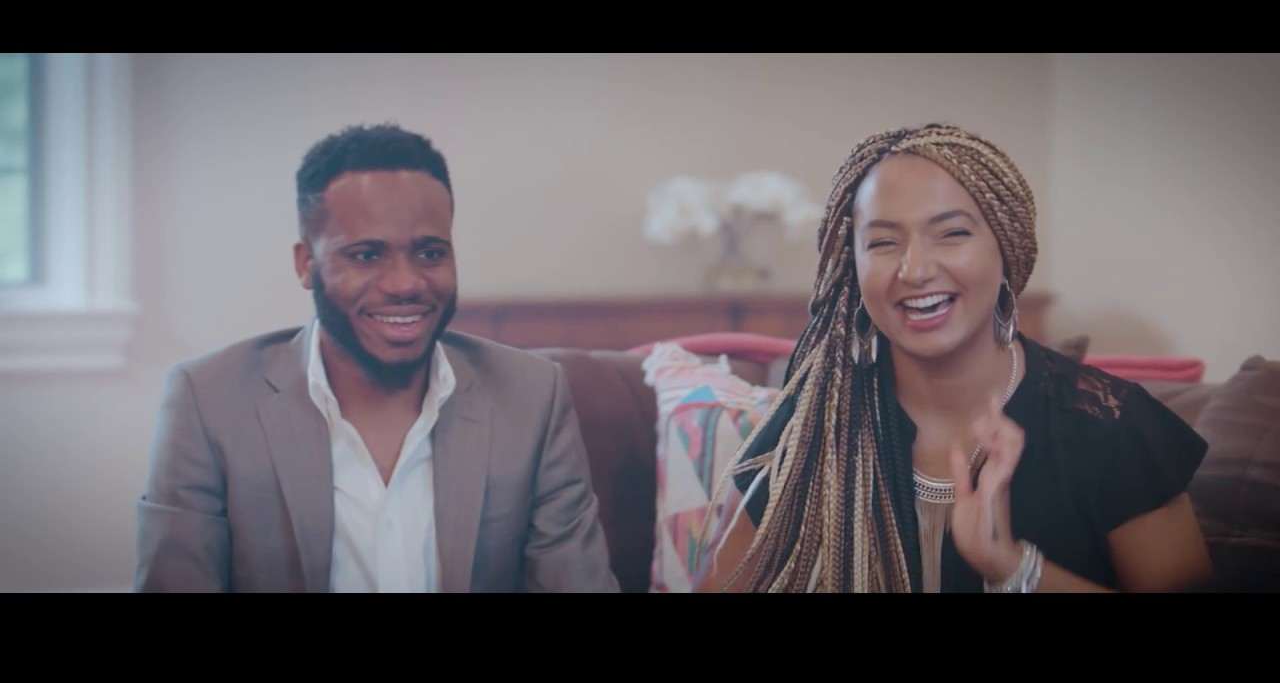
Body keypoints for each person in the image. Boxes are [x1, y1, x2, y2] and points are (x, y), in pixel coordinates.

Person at [698, 123, 1212, 592]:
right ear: (852, 264)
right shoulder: (813, 425)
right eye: (883, 241)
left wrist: (1012, 567)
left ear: (1005, 247)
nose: (915, 269)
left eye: (952, 233)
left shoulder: (1110, 427)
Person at [136, 123, 618, 592]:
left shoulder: (533, 397)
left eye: (430, 253)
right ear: (306, 264)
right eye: (367, 255)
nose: (405, 283)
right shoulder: (209, 402)